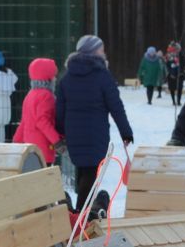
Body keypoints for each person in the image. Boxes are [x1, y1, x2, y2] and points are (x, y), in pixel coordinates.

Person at [55, 35, 134, 216]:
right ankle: (81, 215)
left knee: (84, 170)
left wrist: (60, 131)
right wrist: (126, 132)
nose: (104, 52)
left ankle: (80, 211)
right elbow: (116, 106)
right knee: (91, 174)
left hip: (74, 134)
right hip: (96, 134)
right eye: (101, 49)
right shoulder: (102, 75)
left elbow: (60, 108)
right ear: (93, 51)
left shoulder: (67, 77)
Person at [14, 56, 69, 190]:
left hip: (30, 147)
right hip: (43, 148)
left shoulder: (30, 94)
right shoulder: (47, 96)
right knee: (43, 185)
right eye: (53, 76)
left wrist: (16, 142)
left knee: (33, 184)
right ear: (48, 79)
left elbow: (24, 122)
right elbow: (42, 121)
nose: (55, 79)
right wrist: (57, 141)